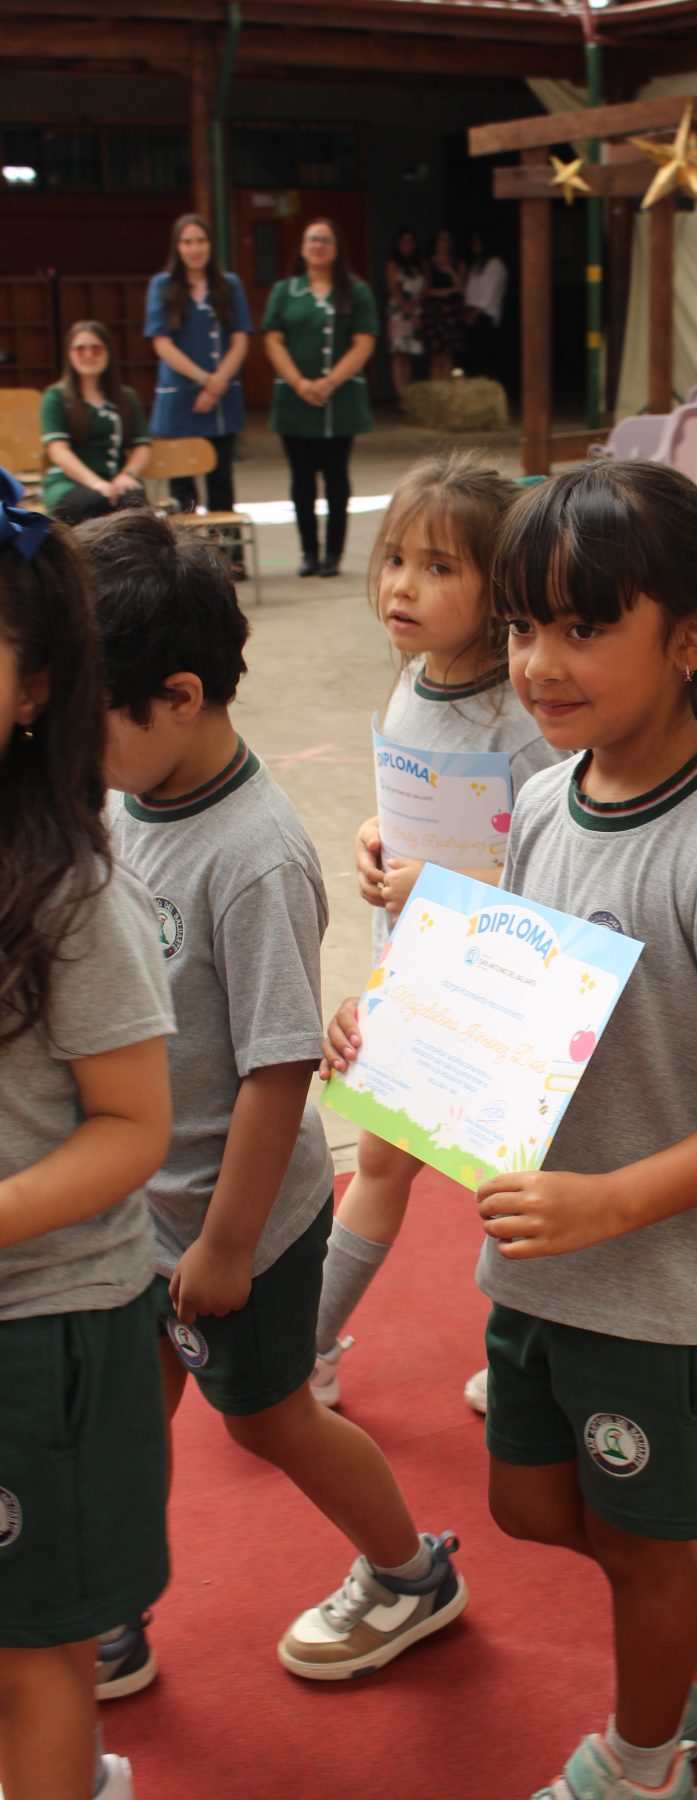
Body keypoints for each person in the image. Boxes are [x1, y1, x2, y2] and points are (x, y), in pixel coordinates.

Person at [478, 461, 697, 1800]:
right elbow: (530, 994)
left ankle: (640, 1766)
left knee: (632, 1548)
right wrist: (401, 1038)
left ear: (691, 639)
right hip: (544, 1250)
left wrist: (616, 1202)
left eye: (583, 626)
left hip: (661, 1284)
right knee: (533, 1505)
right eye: (521, 627)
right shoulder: (548, 800)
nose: (540, 663)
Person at [77, 507, 466, 1689]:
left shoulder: (251, 854)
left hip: (241, 1215)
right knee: (119, 1417)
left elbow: (278, 1070)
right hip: (140, 1198)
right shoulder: (123, 798)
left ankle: (411, 1571)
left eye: (91, 720)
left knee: (267, 1419)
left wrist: (230, 1241)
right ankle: (106, 1605)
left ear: (181, 696)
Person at [310, 454, 565, 1413]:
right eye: (395, 560)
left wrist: (445, 884)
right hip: (414, 972)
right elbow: (412, 811)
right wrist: (379, 843)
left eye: (439, 567)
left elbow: (562, 860)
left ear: (500, 590)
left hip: (507, 992)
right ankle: (312, 1343)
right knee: (378, 1160)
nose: (403, 586)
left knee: (514, 1188)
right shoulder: (413, 684)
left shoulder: (525, 718)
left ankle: (528, 1357)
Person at [0, 471, 174, 1800]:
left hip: (41, 1326)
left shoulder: (65, 888)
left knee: (32, 1657)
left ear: (38, 686)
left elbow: (131, 1129)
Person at [262, 218, 378, 579]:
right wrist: (299, 382)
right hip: (295, 404)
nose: (318, 245)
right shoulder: (285, 291)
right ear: (302, 247)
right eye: (312, 239)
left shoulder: (356, 291)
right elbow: (272, 339)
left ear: (336, 247)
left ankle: (334, 555)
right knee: (301, 480)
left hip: (339, 404)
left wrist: (329, 382)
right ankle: (309, 552)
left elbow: (364, 342)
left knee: (336, 479)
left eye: (325, 240)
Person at [143, 212, 253, 565]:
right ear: (178, 246)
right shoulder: (163, 285)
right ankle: (188, 564)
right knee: (183, 486)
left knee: (221, 480)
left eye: (200, 241)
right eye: (187, 241)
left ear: (210, 245)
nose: (194, 248)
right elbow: (161, 343)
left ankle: (230, 559)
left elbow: (240, 338)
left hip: (222, 396)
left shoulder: (229, 285)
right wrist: (204, 380)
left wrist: (219, 382)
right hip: (181, 397)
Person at [40, 323, 151, 525]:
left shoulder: (127, 397)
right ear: (69, 354)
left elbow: (142, 446)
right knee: (93, 502)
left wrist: (127, 475)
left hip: (116, 479)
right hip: (68, 483)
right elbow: (58, 451)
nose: (89, 354)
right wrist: (97, 484)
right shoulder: (55, 397)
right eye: (80, 348)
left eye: (96, 348)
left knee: (134, 501)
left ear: (108, 353)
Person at [383, 227, 424, 411]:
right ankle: (400, 395)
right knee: (398, 353)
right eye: (403, 242)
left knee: (409, 354)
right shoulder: (392, 265)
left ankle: (409, 394)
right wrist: (407, 310)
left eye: (410, 241)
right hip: (399, 312)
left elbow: (425, 288)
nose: (406, 245)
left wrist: (415, 310)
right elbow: (393, 289)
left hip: (415, 311)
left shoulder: (421, 265)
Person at [463, 230, 508, 382]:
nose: (474, 245)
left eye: (477, 241)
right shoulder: (477, 265)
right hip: (473, 314)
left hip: (485, 316)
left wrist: (474, 313)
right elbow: (470, 291)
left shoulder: (495, 264)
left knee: (486, 357)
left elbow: (488, 294)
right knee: (475, 359)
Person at [421, 228, 465, 381]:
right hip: (435, 312)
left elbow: (462, 288)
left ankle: (447, 388)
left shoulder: (457, 263)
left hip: (451, 314)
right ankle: (436, 390)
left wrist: (450, 272)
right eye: (440, 239)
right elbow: (427, 290)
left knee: (448, 354)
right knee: (435, 355)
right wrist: (449, 291)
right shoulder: (428, 263)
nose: (443, 243)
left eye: (446, 239)